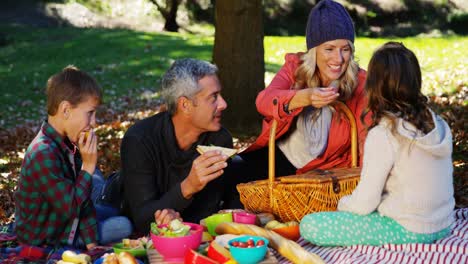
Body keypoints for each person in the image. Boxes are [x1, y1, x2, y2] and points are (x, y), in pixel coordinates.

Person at [300, 42, 455, 246]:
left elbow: (365, 203)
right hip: (444, 223)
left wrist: (342, 204)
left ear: (374, 86)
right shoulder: (438, 123)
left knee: (310, 225)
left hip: (409, 228)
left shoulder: (384, 133)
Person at [239, 0, 370, 180]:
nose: (338, 59)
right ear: (314, 50)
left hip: (323, 173)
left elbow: (366, 144)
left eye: (345, 49)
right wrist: (303, 98)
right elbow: (263, 101)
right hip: (279, 156)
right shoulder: (295, 67)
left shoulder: (362, 84)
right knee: (225, 172)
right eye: (329, 49)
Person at [14, 66, 132, 249]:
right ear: (66, 110)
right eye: (90, 113)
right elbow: (72, 209)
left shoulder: (66, 143)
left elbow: (82, 201)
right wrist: (87, 166)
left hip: (68, 218)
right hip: (48, 237)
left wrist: (92, 245)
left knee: (113, 211)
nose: (94, 123)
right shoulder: (42, 153)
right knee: (123, 225)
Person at [121, 58, 240, 233]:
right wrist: (188, 187)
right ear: (185, 105)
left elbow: (208, 214)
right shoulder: (139, 140)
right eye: (213, 97)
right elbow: (142, 220)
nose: (223, 104)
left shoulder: (219, 139)